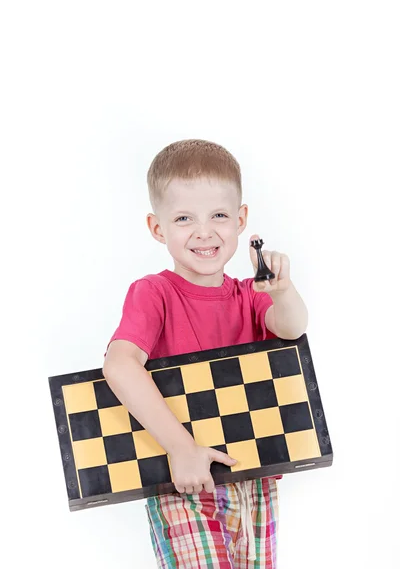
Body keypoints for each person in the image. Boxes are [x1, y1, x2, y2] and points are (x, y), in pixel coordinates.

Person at [103, 139, 308, 568]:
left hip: (254, 474)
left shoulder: (250, 295)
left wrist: (283, 291)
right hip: (184, 482)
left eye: (218, 215)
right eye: (183, 218)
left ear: (241, 219)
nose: (203, 231)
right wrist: (180, 448)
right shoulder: (153, 293)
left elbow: (292, 328)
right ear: (158, 228)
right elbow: (120, 364)